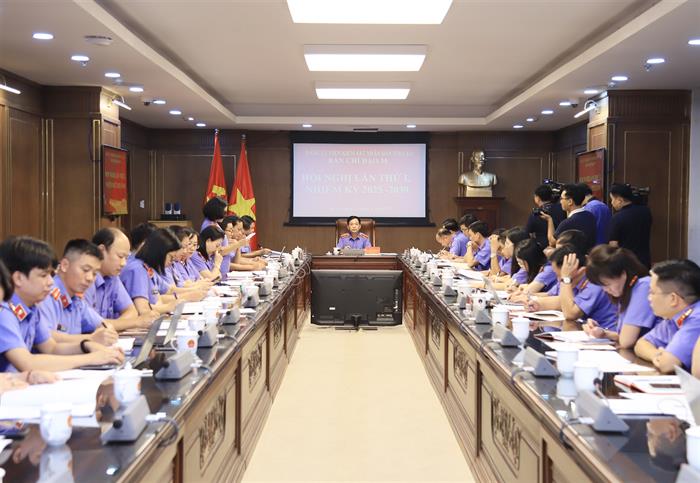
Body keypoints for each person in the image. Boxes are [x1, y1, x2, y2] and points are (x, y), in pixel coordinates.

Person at [0, 236, 123, 372]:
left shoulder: (32, 307)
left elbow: (51, 347)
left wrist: (85, 345)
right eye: (43, 275)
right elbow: (28, 363)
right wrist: (91, 358)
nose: (51, 282)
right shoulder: (4, 312)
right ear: (18, 278)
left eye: (50, 274)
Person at [36, 240, 118, 345]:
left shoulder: (76, 300)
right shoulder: (46, 294)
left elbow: (103, 324)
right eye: (85, 270)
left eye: (94, 273)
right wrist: (91, 338)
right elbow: (47, 337)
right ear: (65, 265)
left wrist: (107, 332)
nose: (90, 278)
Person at [583, 245, 659, 349]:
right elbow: (623, 336)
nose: (605, 290)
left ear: (623, 274)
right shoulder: (626, 291)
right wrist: (603, 333)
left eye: (607, 284)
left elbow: (626, 341)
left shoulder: (643, 287)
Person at [526, 245, 617, 329]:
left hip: (607, 336)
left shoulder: (594, 284)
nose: (558, 280)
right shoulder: (571, 281)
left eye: (559, 275)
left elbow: (570, 314)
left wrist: (566, 278)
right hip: (587, 332)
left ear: (579, 270)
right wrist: (536, 303)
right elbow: (558, 299)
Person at [86, 228, 160, 330]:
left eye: (126, 258)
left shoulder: (113, 277)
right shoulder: (85, 280)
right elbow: (92, 324)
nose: (124, 263)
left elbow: (131, 311)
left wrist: (117, 325)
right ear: (101, 251)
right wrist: (135, 323)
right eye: (120, 256)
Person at [634, 259, 700, 372]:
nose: (649, 298)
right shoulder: (673, 319)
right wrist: (656, 355)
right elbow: (641, 344)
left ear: (673, 299)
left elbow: (668, 365)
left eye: (652, 293)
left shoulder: (696, 318)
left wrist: (664, 359)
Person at [120, 228, 181, 315]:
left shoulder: (148, 267)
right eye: (171, 257)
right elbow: (143, 310)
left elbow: (158, 298)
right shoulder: (137, 269)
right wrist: (168, 307)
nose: (172, 261)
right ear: (159, 253)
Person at [541, 183, 597, 252]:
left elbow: (552, 242)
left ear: (570, 201)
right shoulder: (590, 215)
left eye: (562, 199)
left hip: (572, 256)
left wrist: (549, 220)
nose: (560, 202)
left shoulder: (568, 222)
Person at [608, 183, 653, 268]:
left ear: (620, 200)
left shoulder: (617, 217)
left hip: (626, 262)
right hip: (644, 260)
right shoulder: (646, 211)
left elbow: (613, 245)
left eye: (612, 199)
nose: (611, 203)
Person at [202, 197, 246, 280]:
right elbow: (218, 251)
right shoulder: (208, 226)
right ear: (216, 211)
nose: (225, 215)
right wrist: (238, 244)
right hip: (216, 270)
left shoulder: (215, 223)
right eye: (224, 212)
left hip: (223, 270)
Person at [525, 183, 565, 248]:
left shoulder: (536, 213)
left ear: (537, 198)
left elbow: (527, 232)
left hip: (541, 247)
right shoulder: (562, 209)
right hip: (560, 245)